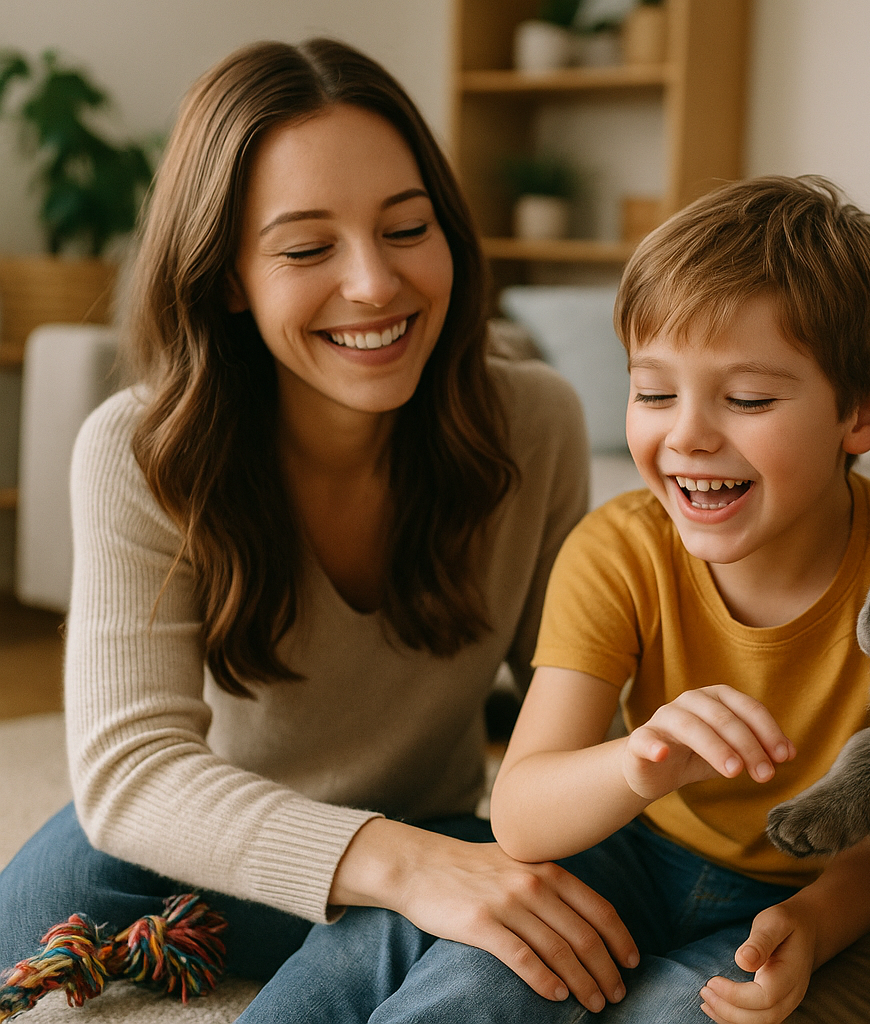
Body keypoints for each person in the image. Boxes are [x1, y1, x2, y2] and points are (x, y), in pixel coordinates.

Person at [0, 37, 644, 1019]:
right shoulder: (137, 449)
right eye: (307, 249)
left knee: (541, 931)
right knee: (35, 909)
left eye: (407, 228)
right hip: (222, 843)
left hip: (433, 823)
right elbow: (133, 775)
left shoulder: (534, 422)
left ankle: (390, 940)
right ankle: (390, 927)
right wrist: (409, 869)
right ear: (226, 275)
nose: (376, 284)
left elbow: (591, 701)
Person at [358, 175, 870, 1024]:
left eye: (748, 399)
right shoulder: (620, 550)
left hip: (799, 894)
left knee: (678, 1015)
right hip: (636, 847)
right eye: (654, 393)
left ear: (866, 410)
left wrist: (816, 923)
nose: (686, 434)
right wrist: (635, 763)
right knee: (479, 975)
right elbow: (521, 814)